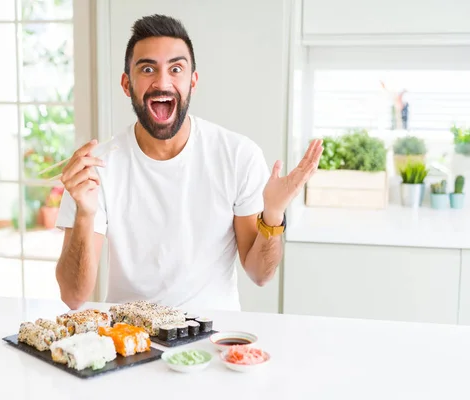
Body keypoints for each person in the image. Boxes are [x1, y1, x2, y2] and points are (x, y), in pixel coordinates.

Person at [55, 14, 323, 311]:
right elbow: (73, 296)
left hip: (215, 337)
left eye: (176, 69)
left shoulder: (237, 155)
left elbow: (260, 274)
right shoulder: (96, 169)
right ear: (126, 84)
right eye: (147, 69)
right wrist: (83, 215)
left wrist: (273, 214)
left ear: (193, 81)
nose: (162, 82)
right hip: (130, 342)